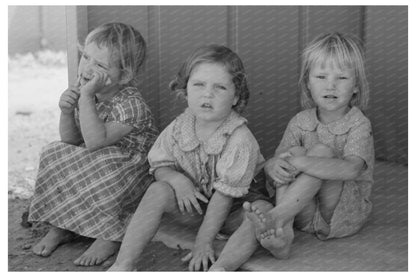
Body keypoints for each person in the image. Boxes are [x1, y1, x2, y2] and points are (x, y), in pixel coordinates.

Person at [210, 32, 374, 271]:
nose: (331, 85)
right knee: (291, 153)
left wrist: (303, 162)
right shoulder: (300, 121)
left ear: (356, 86)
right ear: (308, 82)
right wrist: (273, 164)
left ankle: (277, 219)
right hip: (302, 215)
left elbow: (351, 168)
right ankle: (280, 237)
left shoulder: (359, 124)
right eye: (321, 76)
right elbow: (277, 166)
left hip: (339, 214)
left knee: (319, 152)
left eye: (342, 77)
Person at [108, 44, 267, 271]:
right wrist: (176, 179)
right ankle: (123, 264)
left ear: (235, 97)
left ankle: (221, 267)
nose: (207, 94)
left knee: (259, 212)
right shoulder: (180, 126)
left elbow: (224, 197)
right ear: (186, 89)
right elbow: (159, 164)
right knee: (158, 190)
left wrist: (203, 242)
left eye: (220, 87)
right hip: (197, 207)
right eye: (199, 84)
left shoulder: (239, 138)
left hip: (234, 211)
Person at [28, 22, 159, 266]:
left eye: (99, 65)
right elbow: (72, 141)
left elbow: (96, 141)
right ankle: (62, 224)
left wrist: (86, 98)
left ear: (125, 75)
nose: (87, 67)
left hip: (131, 170)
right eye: (86, 57)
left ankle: (109, 234)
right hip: (97, 159)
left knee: (106, 162)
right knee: (54, 153)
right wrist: (66, 112)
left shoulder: (131, 104)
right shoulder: (86, 93)